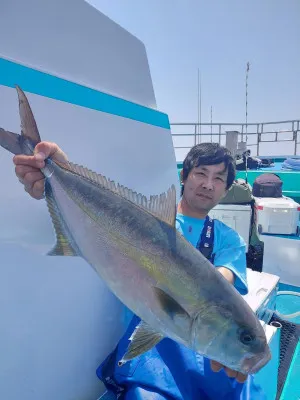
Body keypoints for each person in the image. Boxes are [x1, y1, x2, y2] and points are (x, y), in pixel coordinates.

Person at [13, 142, 266, 400]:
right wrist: (56, 174)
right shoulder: (145, 220)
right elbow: (98, 216)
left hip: (198, 348)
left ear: (225, 190)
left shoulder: (229, 239)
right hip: (152, 364)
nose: (208, 184)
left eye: (219, 179)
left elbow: (220, 284)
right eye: (201, 173)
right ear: (184, 175)